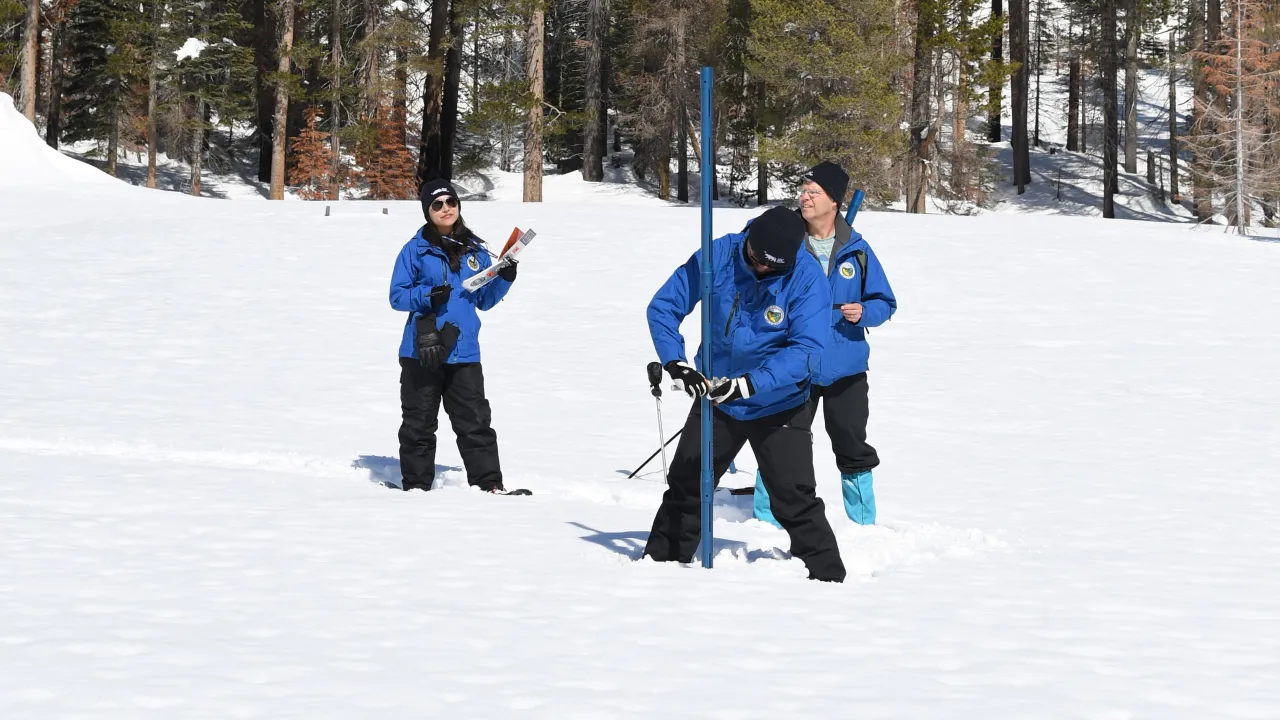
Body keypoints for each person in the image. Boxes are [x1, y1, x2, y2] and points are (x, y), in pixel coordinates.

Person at [643, 205, 847, 582]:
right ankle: (660, 570)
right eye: (755, 259)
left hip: (778, 403)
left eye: (773, 267)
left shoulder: (807, 279)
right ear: (749, 240)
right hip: (716, 398)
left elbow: (806, 350)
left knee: (794, 498)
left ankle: (827, 579)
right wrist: (676, 362)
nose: (761, 269)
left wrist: (750, 384)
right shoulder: (718, 254)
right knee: (687, 486)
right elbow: (664, 306)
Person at [753, 161, 897, 526]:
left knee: (851, 444)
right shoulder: (785, 242)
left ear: (833, 201)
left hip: (844, 367)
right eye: (803, 191)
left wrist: (864, 311)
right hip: (793, 365)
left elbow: (885, 302)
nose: (804, 197)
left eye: (813, 192)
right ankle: (766, 520)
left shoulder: (858, 251)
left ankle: (862, 523)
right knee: (782, 444)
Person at [387, 179, 528, 495]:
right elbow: (397, 297)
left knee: (476, 422)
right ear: (428, 211)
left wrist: (505, 278)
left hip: (464, 352)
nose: (445, 209)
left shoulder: (475, 250)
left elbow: (484, 301)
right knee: (418, 424)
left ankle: (489, 485)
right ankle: (416, 487)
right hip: (421, 351)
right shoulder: (415, 249)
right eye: (437, 205)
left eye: (450, 201)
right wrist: (428, 294)